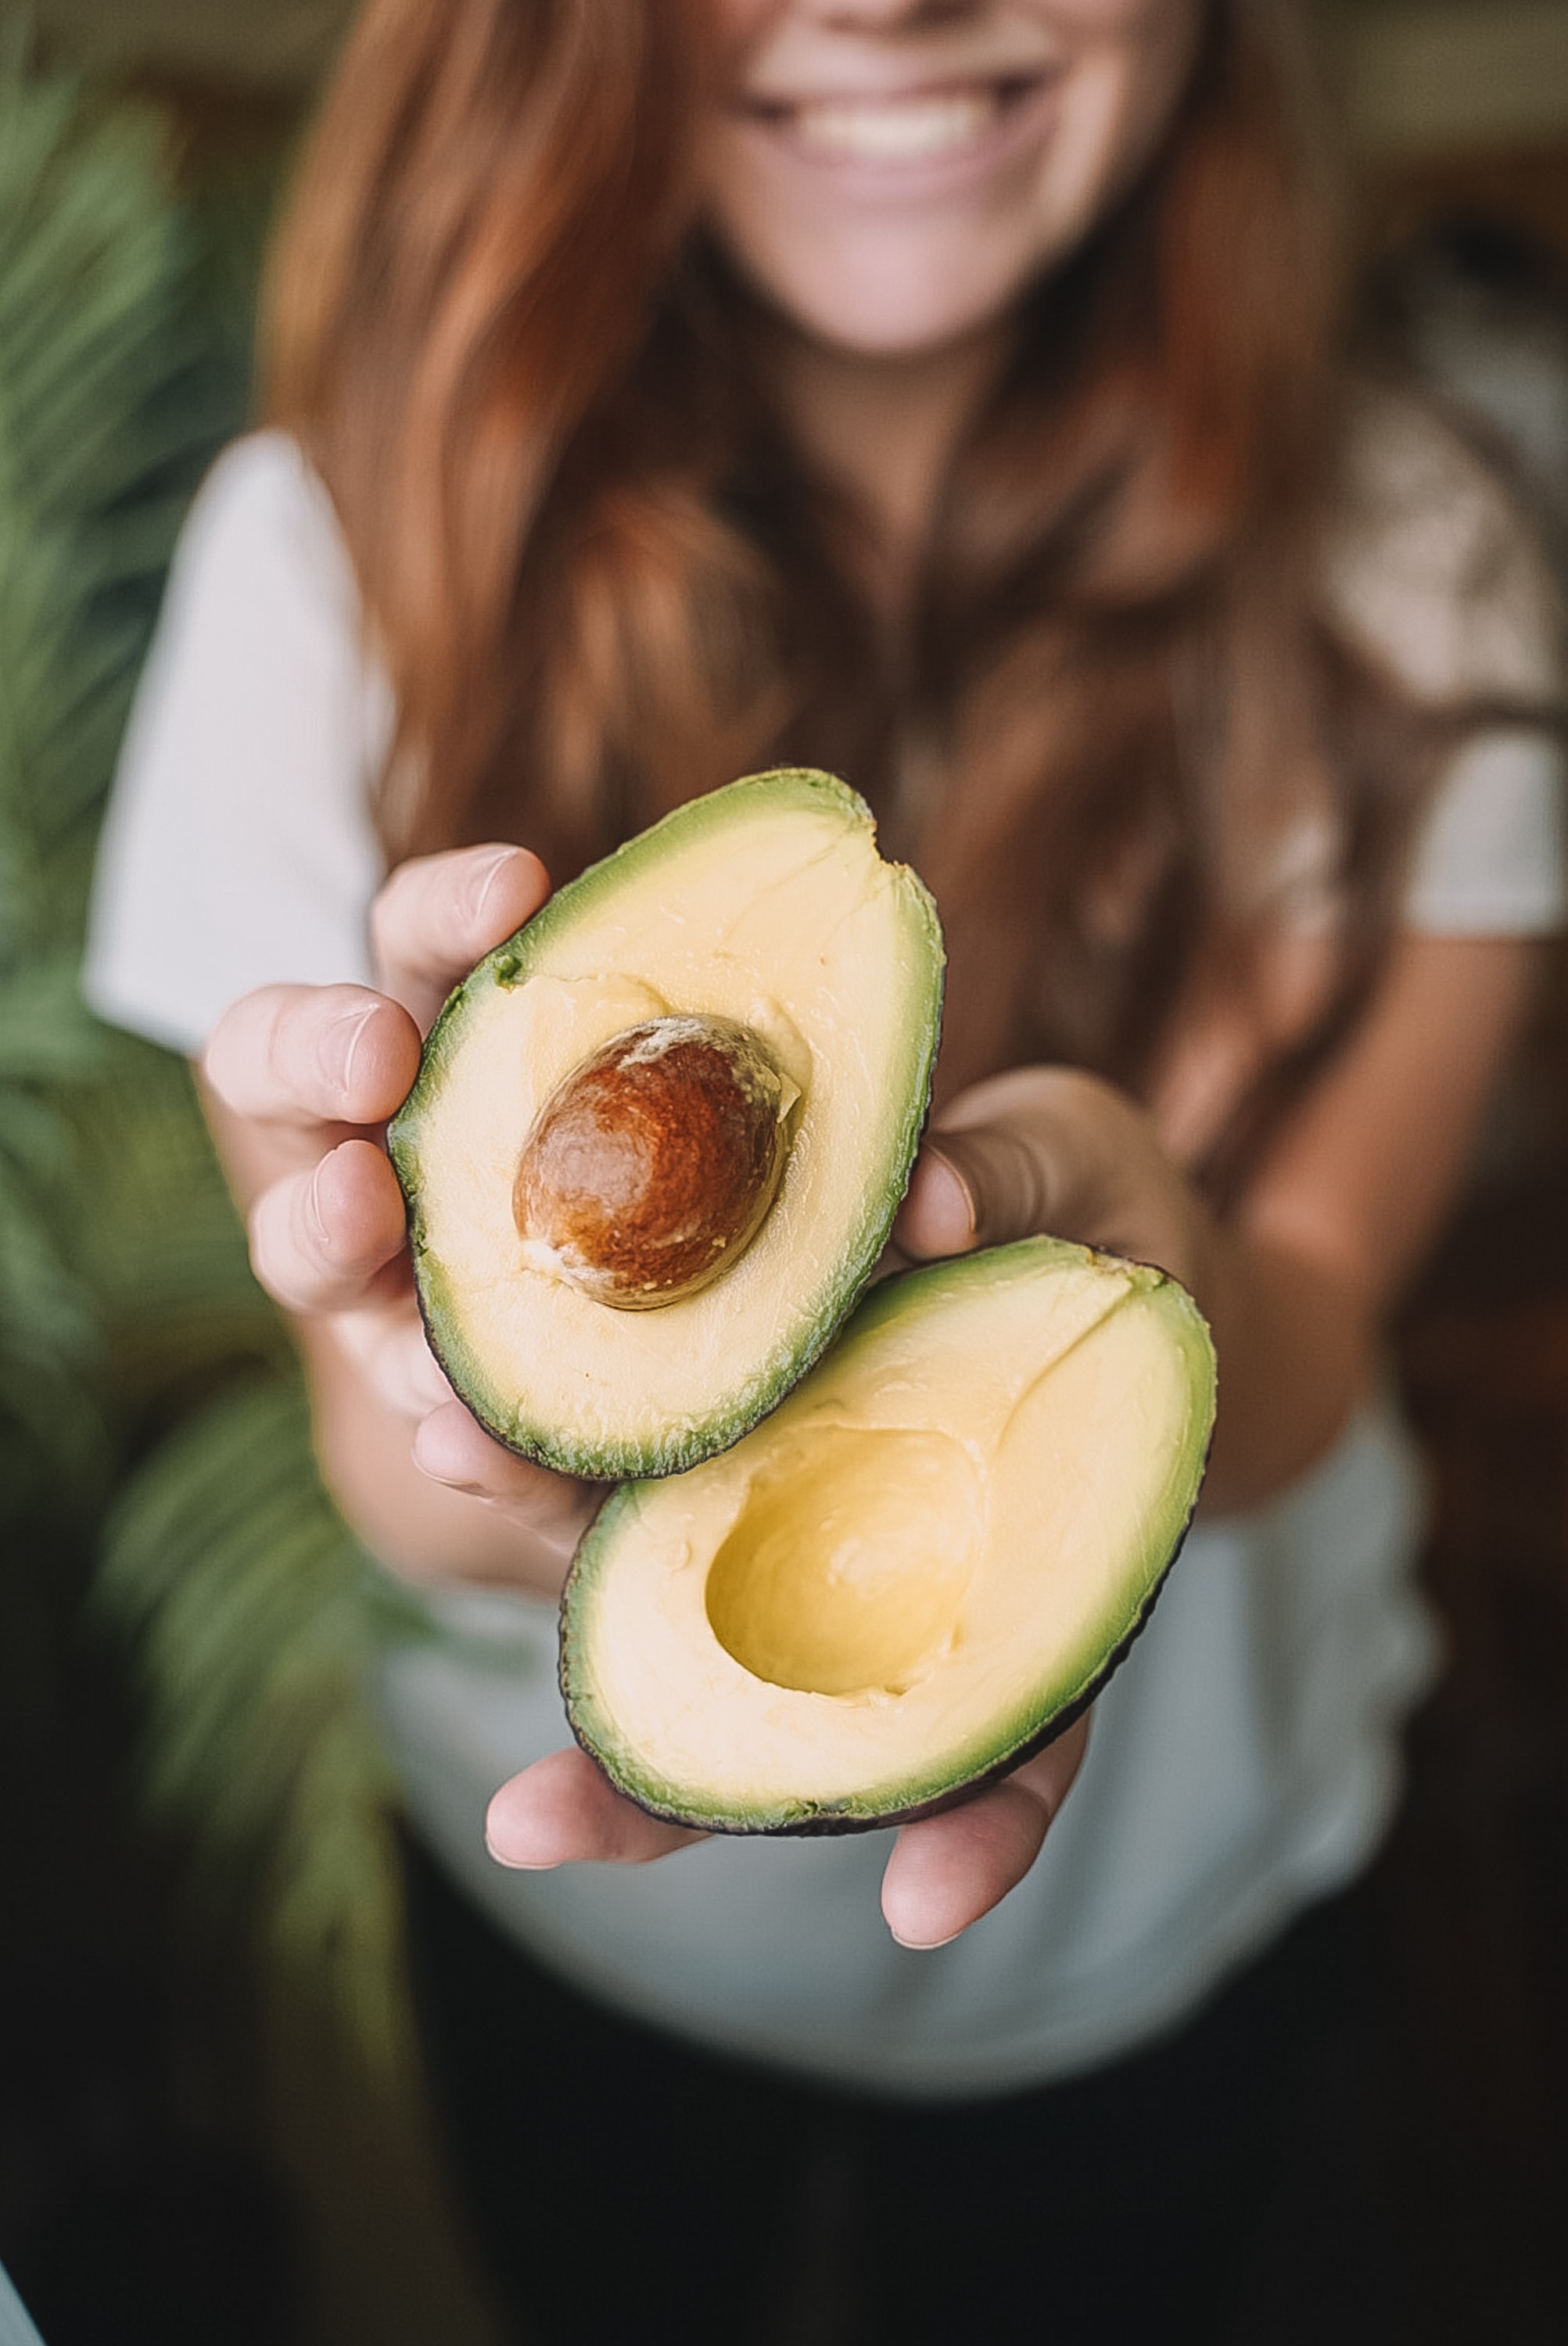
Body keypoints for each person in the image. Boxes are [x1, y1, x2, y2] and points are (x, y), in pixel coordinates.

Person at [84, 0, 1565, 2337]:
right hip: (586, 1919)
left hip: (1167, 1917)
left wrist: (1152, 1250)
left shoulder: (1429, 573)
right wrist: (441, 1386)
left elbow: (1309, 1319)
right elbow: (389, 1465)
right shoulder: (333, 552)